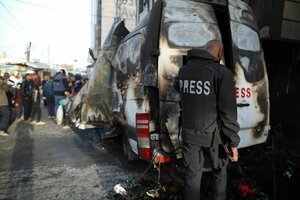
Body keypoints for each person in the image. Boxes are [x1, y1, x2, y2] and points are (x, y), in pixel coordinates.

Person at [173, 40, 240, 200]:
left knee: (192, 176)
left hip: (189, 134)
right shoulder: (222, 73)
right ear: (219, 54)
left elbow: (177, 87)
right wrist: (233, 143)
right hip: (213, 136)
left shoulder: (184, 71)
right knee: (219, 173)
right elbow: (228, 112)